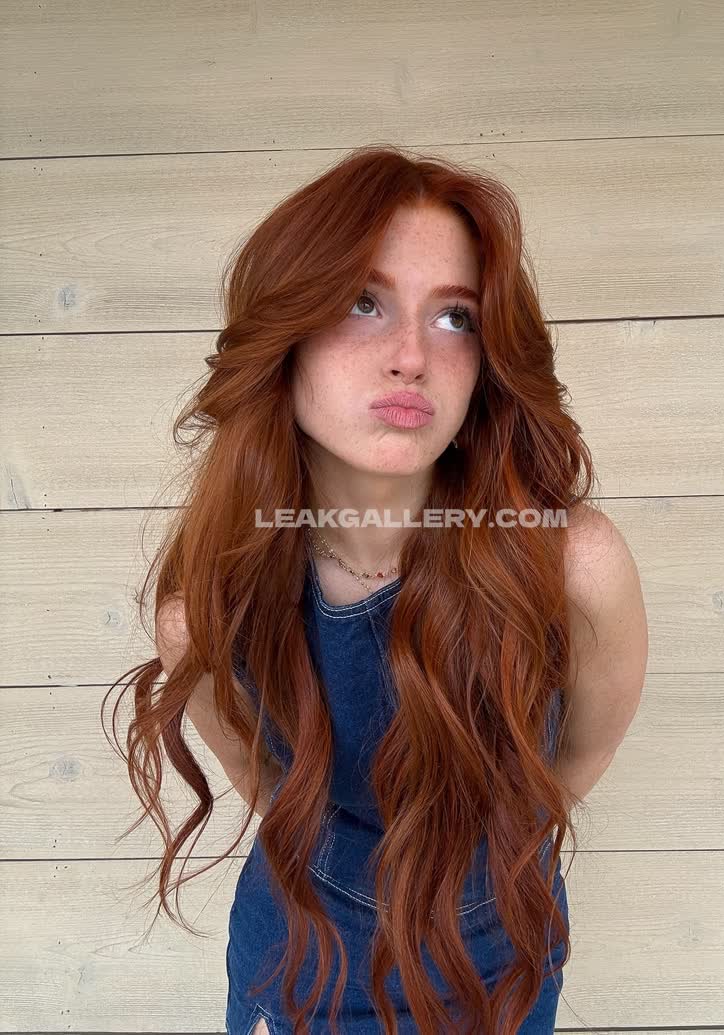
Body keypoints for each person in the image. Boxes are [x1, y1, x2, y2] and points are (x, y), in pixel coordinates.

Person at [105, 144, 648, 1034]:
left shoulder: (571, 565)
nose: (410, 356)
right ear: (286, 334)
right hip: (301, 957)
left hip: (503, 956)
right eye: (364, 301)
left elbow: (577, 759)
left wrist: (485, 863)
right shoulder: (205, 612)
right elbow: (261, 778)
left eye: (455, 317)